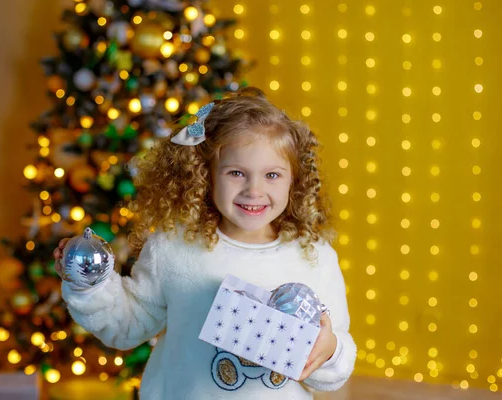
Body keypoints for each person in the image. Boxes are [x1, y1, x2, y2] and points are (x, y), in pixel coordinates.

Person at [54, 87, 356, 399]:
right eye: (236, 173)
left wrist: (330, 350)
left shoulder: (314, 257)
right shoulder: (174, 248)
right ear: (206, 175)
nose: (254, 190)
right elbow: (126, 325)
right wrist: (88, 285)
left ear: (295, 180)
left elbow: (334, 367)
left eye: (272, 175)